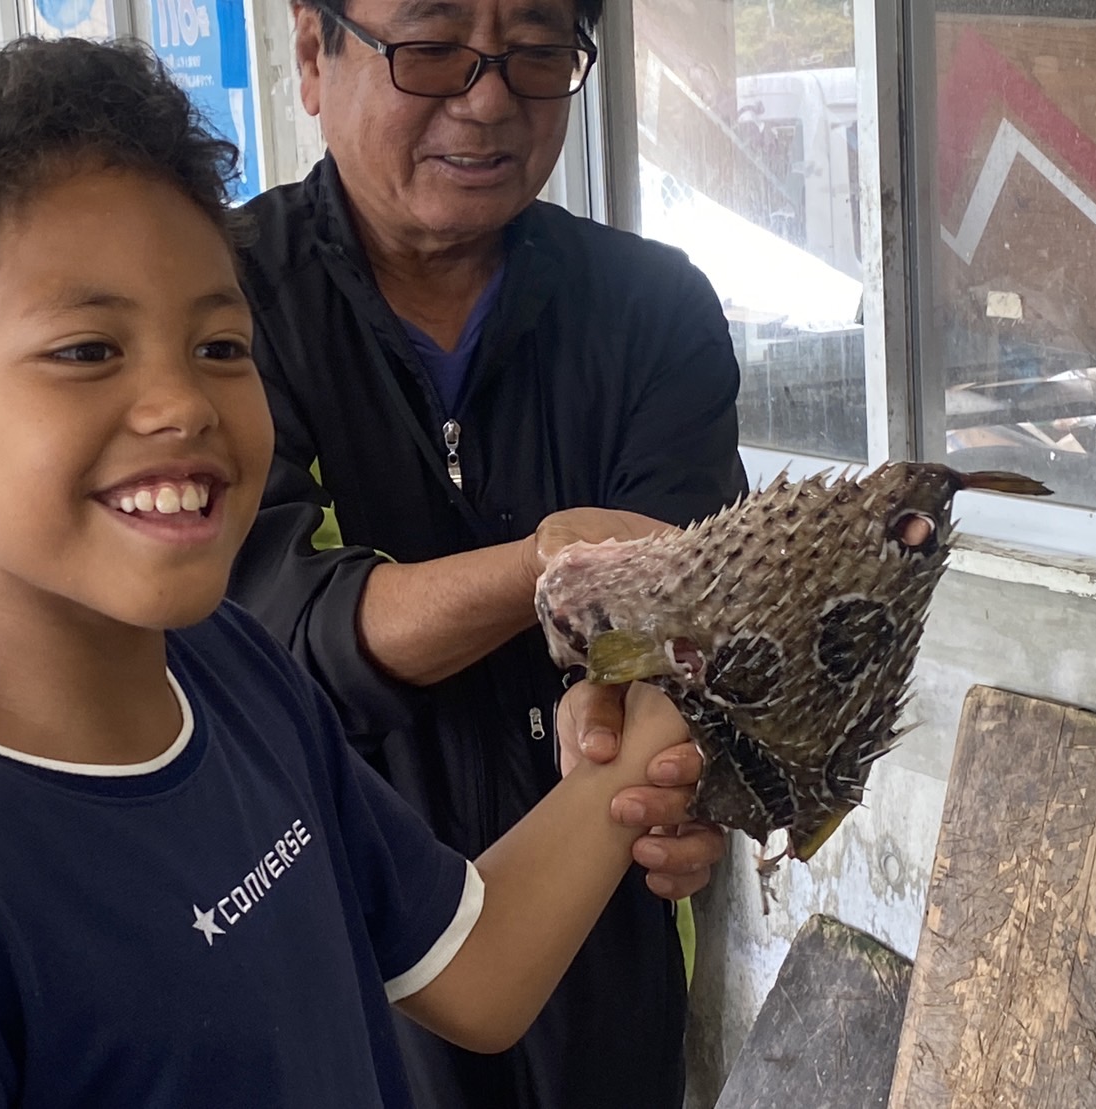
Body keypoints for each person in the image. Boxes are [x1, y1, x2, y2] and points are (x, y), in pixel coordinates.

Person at [0, 37, 712, 1107]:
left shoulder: (228, 673)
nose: (182, 404)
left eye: (221, 347)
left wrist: (660, 709)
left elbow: (479, 969)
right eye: (89, 349)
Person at [228, 0, 748, 1104]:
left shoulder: (654, 311)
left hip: (601, 945)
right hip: (327, 958)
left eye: (537, 51)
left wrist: (674, 764)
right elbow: (284, 628)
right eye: (430, 49)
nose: (488, 97)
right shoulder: (225, 309)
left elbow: (692, 625)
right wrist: (545, 566)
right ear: (314, 54)